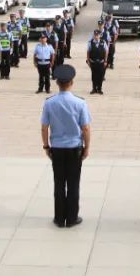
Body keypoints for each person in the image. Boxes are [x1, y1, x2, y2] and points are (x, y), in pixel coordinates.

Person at [41, 64, 92, 228]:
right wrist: (87, 147)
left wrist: (46, 146)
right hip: (74, 148)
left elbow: (44, 127)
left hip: (57, 148)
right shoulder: (79, 103)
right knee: (73, 183)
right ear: (72, 82)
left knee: (59, 183)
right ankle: (71, 217)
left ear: (57, 83)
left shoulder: (49, 103)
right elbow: (85, 127)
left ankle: (59, 217)